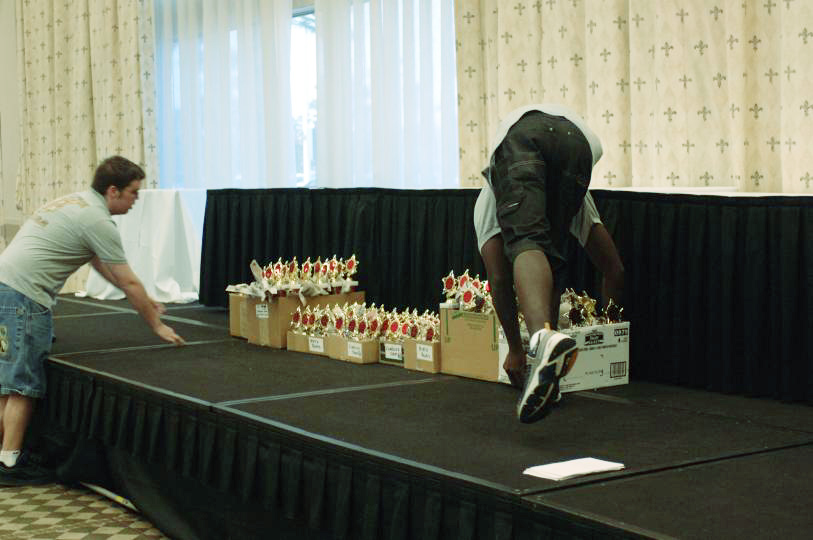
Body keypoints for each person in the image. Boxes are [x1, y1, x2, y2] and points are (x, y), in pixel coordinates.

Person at [0, 156, 186, 486]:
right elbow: (128, 280)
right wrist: (157, 325)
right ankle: (10, 464)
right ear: (113, 191)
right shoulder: (97, 220)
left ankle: (5, 455)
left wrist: (144, 299)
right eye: (133, 192)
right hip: (24, 298)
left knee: (7, 381)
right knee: (23, 386)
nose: (136, 200)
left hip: (6, 287)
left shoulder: (76, 203)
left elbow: (102, 265)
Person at [474, 104, 624, 424]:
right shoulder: (579, 200)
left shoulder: (491, 196)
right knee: (548, 257)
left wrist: (517, 350)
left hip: (525, 136)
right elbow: (614, 269)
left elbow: (499, 279)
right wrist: (612, 336)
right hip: (580, 146)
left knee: (526, 241)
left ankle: (542, 342)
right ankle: (547, 358)